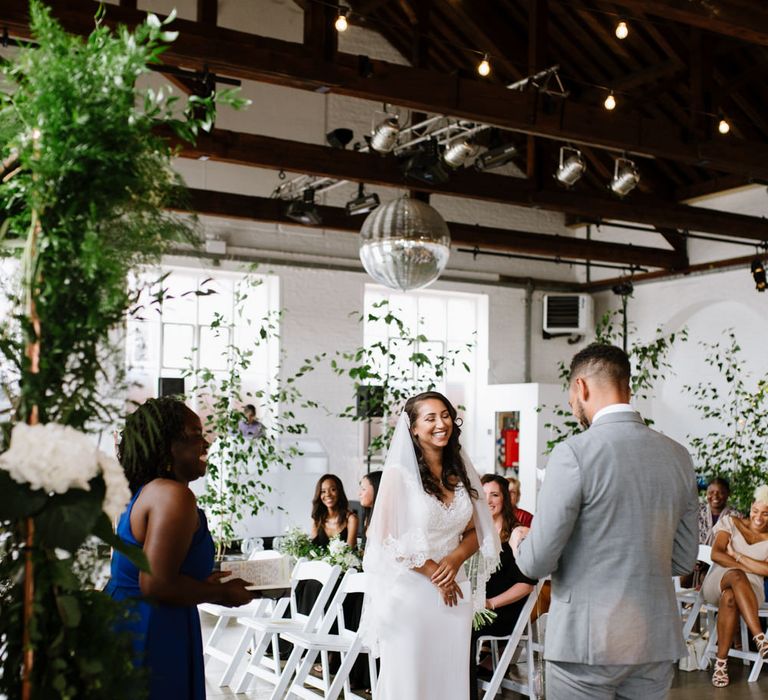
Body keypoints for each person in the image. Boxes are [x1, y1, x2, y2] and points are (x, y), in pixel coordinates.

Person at [511, 344, 698, 700]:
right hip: (654, 640)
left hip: (587, 643)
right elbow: (683, 559)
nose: (572, 405)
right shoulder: (678, 456)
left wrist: (522, 539)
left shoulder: (574, 454)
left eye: (571, 396)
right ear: (627, 385)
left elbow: (536, 562)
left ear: (581, 387)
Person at [105, 397, 254, 700]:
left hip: (132, 621)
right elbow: (156, 583)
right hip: (153, 630)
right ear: (170, 445)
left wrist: (203, 583)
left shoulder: (147, 491)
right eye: (197, 434)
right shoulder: (172, 495)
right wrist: (222, 594)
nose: (206, 443)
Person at [362, 391, 500, 700]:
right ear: (413, 428)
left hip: (456, 591)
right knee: (411, 678)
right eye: (431, 418)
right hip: (413, 591)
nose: (441, 423)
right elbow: (385, 537)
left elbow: (479, 529)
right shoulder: (399, 476)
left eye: (446, 415)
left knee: (450, 677)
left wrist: (454, 560)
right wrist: (436, 572)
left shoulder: (463, 472)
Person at [469, 474, 536, 700]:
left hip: (504, 610)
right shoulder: (476, 534)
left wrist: (489, 603)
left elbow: (526, 584)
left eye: (494, 495)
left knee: (461, 626)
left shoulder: (516, 533)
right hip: (479, 607)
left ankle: (466, 693)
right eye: (483, 495)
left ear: (505, 499)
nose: (488, 500)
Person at [701, 485, 768, 687]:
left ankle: (720, 665)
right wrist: (748, 566)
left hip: (752, 590)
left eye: (766, 513)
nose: (759, 517)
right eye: (756, 511)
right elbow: (717, 554)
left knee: (730, 597)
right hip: (718, 580)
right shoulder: (730, 523)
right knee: (736, 577)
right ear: (750, 507)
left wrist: (737, 555)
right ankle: (761, 638)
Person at [310, 474, 359, 548]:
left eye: (333, 489)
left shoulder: (351, 519)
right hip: (318, 560)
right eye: (323, 491)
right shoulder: (317, 519)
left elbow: (350, 552)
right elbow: (312, 550)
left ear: (339, 492)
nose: (328, 494)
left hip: (346, 559)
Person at [699, 477, 740, 546]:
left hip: (722, 555)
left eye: (720, 493)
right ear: (706, 493)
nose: (715, 496)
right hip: (696, 555)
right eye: (711, 492)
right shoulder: (698, 512)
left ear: (728, 494)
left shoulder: (736, 516)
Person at [359, 470, 383, 537]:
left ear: (377, 489)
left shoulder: (383, 519)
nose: (359, 494)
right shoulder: (368, 515)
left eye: (363, 489)